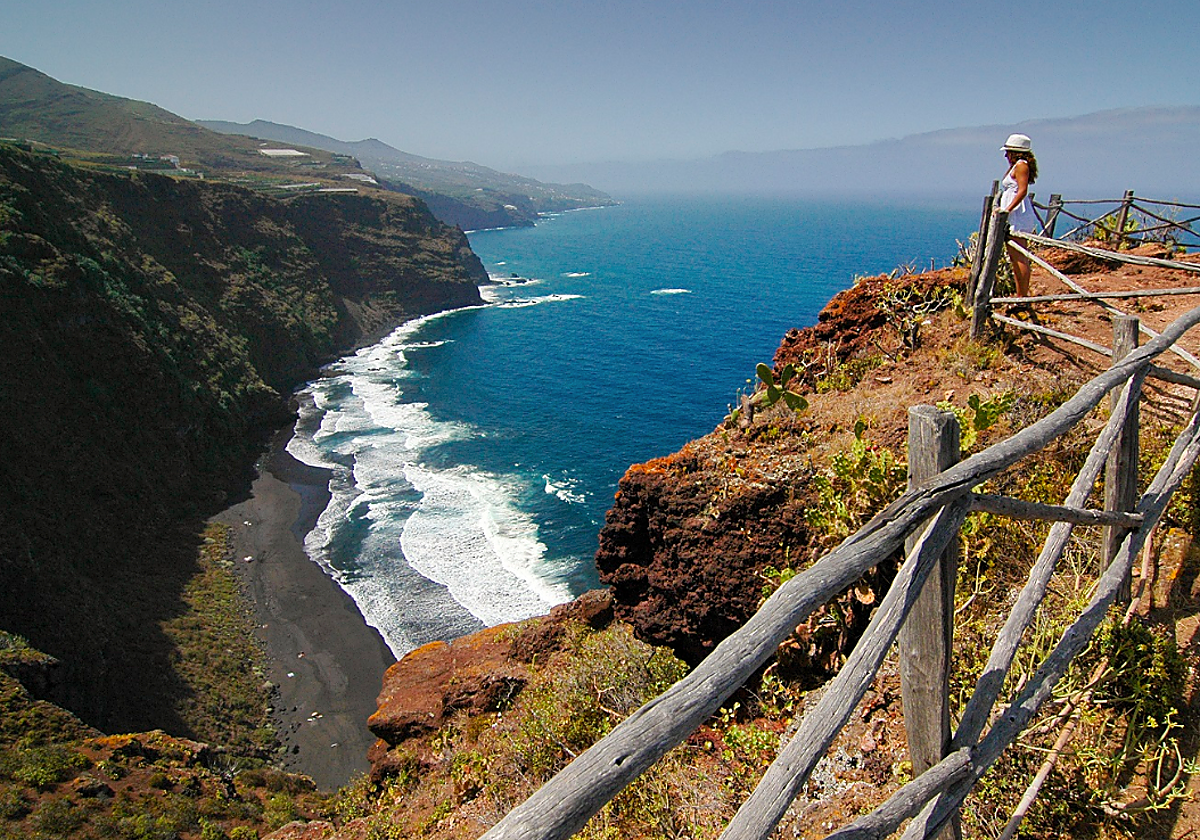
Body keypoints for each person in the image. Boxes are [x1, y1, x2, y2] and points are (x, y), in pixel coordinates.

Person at [996, 133, 1040, 300]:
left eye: (1008, 152)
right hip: (1015, 213)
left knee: (1019, 256)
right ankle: (1020, 293)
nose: (1006, 155)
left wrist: (1007, 209)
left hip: (1018, 215)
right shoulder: (1018, 166)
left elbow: (1022, 191)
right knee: (1015, 257)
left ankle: (1022, 295)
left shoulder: (1021, 166)